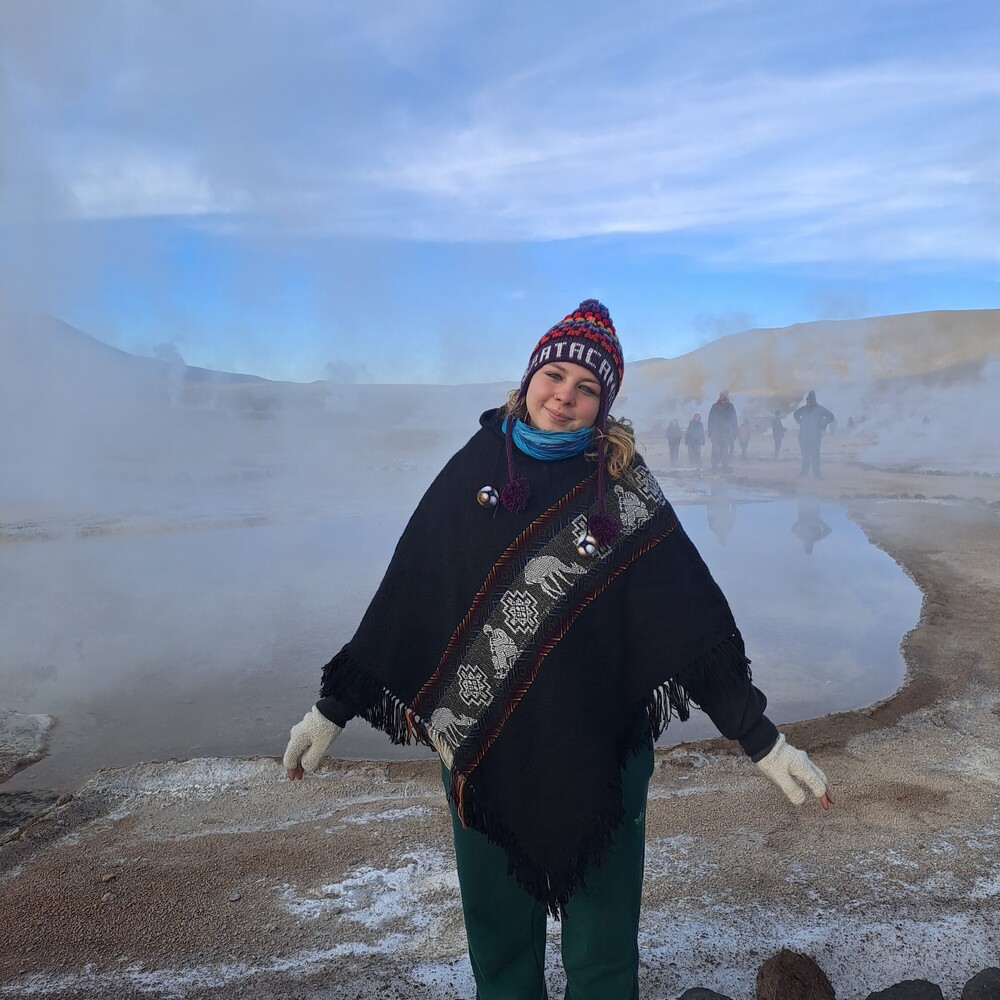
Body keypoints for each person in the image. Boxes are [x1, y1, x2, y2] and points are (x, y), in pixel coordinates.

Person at [283, 300, 833, 1000]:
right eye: (556, 375)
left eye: (587, 387)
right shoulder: (473, 471)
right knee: (500, 951)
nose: (565, 395)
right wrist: (332, 708)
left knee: (603, 951)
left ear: (604, 405)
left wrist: (762, 740)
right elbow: (407, 598)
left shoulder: (626, 491)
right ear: (530, 377)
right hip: (484, 752)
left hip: (603, 755)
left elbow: (687, 623)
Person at [793, 389, 835, 479]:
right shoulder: (804, 409)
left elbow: (831, 416)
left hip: (815, 436)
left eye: (810, 400)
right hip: (804, 436)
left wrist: (822, 424)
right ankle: (804, 474)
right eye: (807, 400)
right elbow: (795, 414)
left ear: (813, 400)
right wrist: (800, 421)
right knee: (805, 456)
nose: (808, 402)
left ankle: (817, 475)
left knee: (815, 456)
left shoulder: (819, 409)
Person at [707, 389, 738, 472]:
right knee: (715, 450)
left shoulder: (730, 407)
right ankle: (714, 466)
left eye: (722, 395)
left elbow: (734, 420)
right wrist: (710, 431)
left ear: (726, 396)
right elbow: (710, 419)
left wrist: (734, 432)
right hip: (715, 432)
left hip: (726, 432)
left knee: (724, 450)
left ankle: (725, 465)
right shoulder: (715, 406)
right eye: (720, 394)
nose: (721, 396)